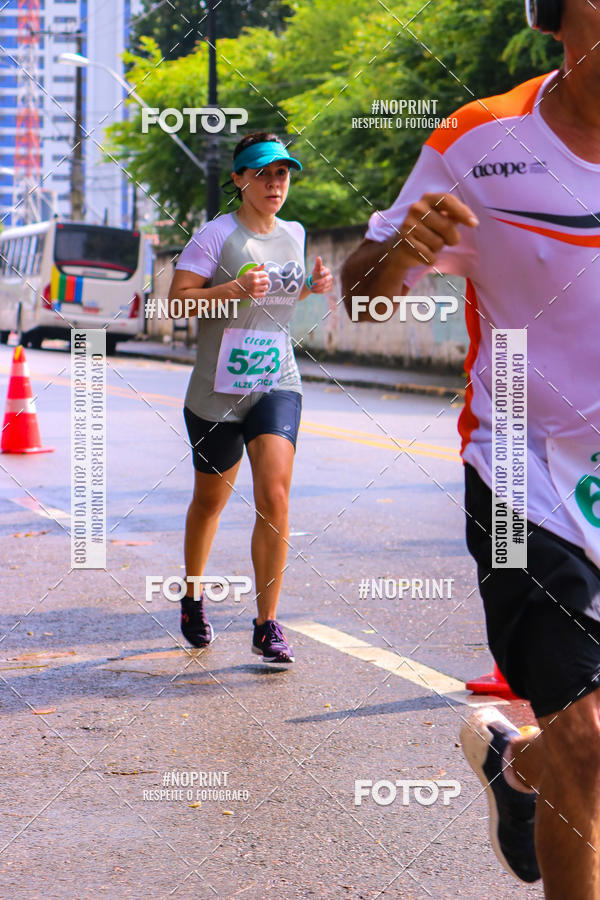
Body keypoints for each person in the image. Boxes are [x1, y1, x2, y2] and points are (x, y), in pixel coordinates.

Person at [341, 0, 600, 894]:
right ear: (556, 15)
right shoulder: (478, 141)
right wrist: (400, 255)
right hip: (524, 476)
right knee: (592, 739)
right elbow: (366, 298)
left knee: (576, 747)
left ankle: (522, 769)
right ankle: (552, 762)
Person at [168, 131, 333, 665]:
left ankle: (267, 624)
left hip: (275, 379)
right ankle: (192, 598)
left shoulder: (295, 233)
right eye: (262, 173)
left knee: (275, 496)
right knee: (211, 501)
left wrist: (312, 284)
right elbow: (177, 304)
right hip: (216, 393)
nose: (274, 183)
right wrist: (230, 291)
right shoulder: (214, 237)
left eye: (282, 173)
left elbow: (285, 292)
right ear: (239, 179)